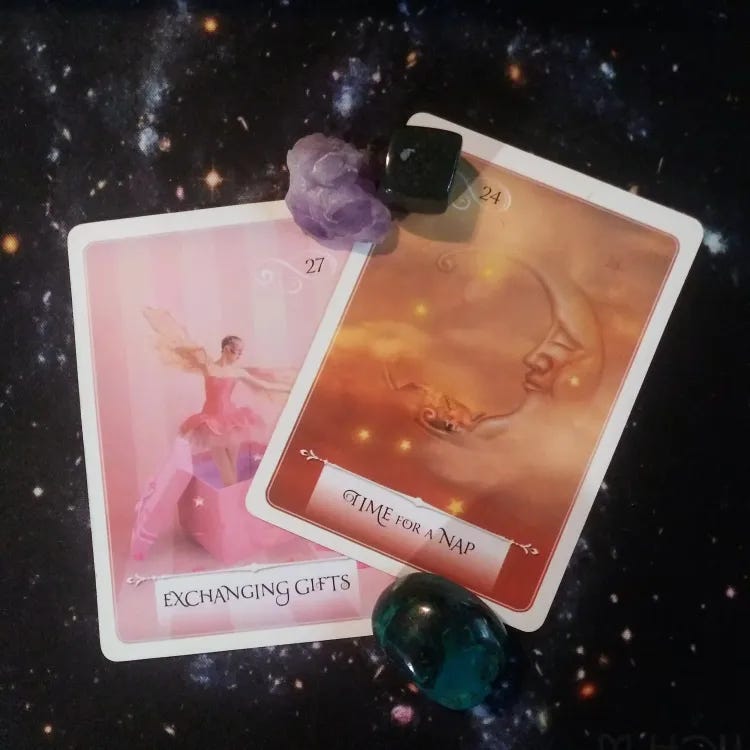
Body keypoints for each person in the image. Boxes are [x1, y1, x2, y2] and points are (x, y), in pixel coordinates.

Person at [143, 308, 291, 486]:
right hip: (211, 422)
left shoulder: (237, 372)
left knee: (232, 468)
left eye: (241, 353)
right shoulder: (209, 367)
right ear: (227, 349)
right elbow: (185, 347)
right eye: (238, 352)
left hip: (232, 421)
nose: (240, 356)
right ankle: (234, 497)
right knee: (225, 469)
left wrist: (289, 389)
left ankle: (234, 498)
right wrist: (164, 328)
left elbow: (266, 385)